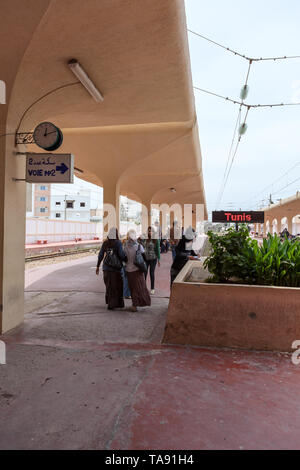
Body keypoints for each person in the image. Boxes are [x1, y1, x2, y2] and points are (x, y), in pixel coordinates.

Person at [96, 227, 127, 310]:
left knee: (109, 286)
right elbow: (121, 255)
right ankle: (115, 304)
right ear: (116, 234)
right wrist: (126, 259)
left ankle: (110, 302)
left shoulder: (105, 243)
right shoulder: (118, 243)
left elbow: (100, 255)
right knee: (117, 286)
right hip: (115, 268)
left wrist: (98, 266)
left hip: (106, 268)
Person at [124, 230, 151, 312]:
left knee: (132, 288)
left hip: (129, 270)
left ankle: (134, 304)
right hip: (137, 270)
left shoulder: (125, 247)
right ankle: (136, 304)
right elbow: (145, 258)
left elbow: (124, 258)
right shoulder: (139, 246)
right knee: (139, 287)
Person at [142, 226, 161, 295]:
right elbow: (142, 246)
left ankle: (152, 288)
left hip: (153, 258)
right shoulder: (145, 239)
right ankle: (143, 287)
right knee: (145, 273)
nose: (150, 232)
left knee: (151, 273)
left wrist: (159, 259)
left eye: (151, 231)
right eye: (149, 231)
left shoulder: (155, 239)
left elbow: (157, 250)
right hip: (146, 258)